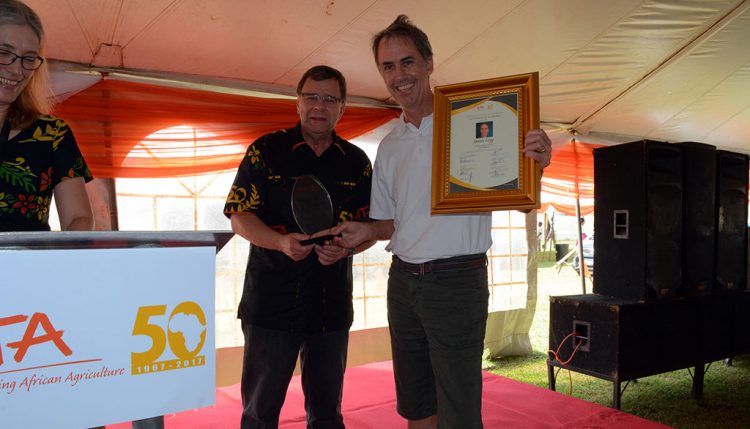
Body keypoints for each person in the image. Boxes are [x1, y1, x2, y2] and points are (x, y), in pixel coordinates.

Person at [331, 15, 552, 429]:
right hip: (402, 282)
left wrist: (536, 162)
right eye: (388, 67)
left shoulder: (471, 124)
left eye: (408, 62)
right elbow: (389, 223)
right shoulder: (390, 146)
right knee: (416, 403)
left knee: (458, 407)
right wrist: (365, 232)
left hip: (456, 281)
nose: (400, 75)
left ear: (430, 63)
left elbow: (523, 203)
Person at [223, 65, 373, 428]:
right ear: (298, 102)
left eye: (329, 99)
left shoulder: (357, 163)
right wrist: (279, 242)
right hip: (271, 303)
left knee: (326, 414)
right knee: (260, 413)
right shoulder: (265, 150)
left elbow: (370, 228)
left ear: (342, 107)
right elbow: (239, 216)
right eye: (311, 97)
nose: (319, 106)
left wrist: (347, 249)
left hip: (331, 304)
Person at [0, 0, 92, 232]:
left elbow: (78, 219)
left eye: (29, 58)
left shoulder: (52, 134)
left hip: (32, 267)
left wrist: (61, 264)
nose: (17, 69)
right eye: (4, 53)